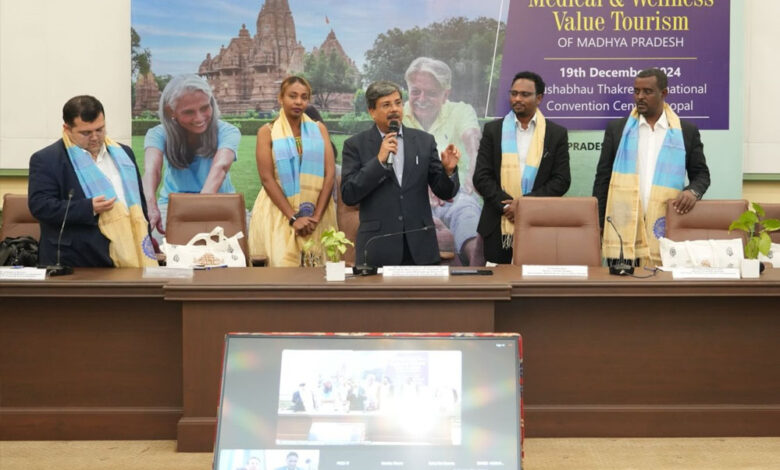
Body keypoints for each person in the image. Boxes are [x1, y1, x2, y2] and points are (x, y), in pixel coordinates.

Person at [593, 68, 710, 266]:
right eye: (636, 91)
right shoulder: (617, 129)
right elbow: (603, 178)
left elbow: (701, 175)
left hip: (666, 226)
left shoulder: (685, 131)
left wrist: (692, 192)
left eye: (647, 91)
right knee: (621, 284)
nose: (640, 96)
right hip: (622, 225)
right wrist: (599, 222)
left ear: (663, 93)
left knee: (662, 284)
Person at [341, 80, 460, 266]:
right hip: (378, 247)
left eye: (397, 103)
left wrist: (448, 170)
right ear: (372, 112)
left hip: (420, 246)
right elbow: (349, 194)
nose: (394, 109)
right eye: (386, 105)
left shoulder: (424, 141)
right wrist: (378, 162)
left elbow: (444, 191)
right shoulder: (355, 145)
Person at [28, 95, 157, 268]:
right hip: (76, 261)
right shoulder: (47, 159)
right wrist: (89, 208)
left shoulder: (124, 153)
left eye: (100, 129)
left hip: (131, 255)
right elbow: (40, 206)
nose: (95, 137)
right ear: (67, 129)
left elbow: (140, 205)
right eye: (86, 133)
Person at [473, 71, 571, 264]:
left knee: (534, 279)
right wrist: (507, 206)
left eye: (525, 94)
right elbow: (482, 176)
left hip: (538, 223)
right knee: (499, 279)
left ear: (539, 98)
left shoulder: (555, 134)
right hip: (497, 222)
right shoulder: (493, 130)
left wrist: (524, 205)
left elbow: (561, 180)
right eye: (514, 93)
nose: (517, 99)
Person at [248, 76, 337, 267]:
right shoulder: (267, 132)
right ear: (280, 98)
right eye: (292, 96)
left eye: (304, 97)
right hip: (278, 212)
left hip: (317, 213)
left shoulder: (319, 129)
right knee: (280, 271)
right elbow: (267, 178)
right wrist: (293, 217)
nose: (298, 102)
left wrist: (316, 217)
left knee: (318, 271)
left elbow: (329, 174)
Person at [402, 57, 484, 265]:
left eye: (431, 93)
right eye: (416, 91)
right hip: (413, 195)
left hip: (455, 194)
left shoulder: (460, 111)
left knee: (466, 212)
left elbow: (472, 139)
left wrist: (474, 168)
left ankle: (475, 262)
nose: (422, 99)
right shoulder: (399, 115)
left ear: (445, 94)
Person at [142, 74, 240, 239]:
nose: (199, 118)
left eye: (204, 108)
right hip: (173, 207)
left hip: (219, 204)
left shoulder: (228, 131)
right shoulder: (158, 134)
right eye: (189, 112)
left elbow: (220, 168)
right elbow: (152, 171)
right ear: (170, 111)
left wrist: (197, 213)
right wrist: (150, 206)